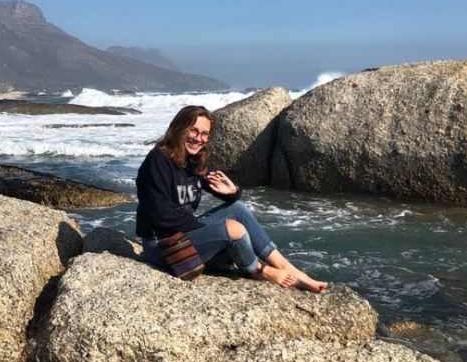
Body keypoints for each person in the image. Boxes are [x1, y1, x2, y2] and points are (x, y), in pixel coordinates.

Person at [136, 105, 328, 292]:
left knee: (237, 208)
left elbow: (221, 190)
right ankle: (259, 270)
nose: (198, 139)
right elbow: (161, 215)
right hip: (162, 246)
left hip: (183, 233)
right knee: (233, 230)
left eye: (204, 134)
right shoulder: (157, 162)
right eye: (193, 131)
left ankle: (288, 268)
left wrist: (232, 191)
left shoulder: (191, 161)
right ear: (178, 129)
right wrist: (210, 231)